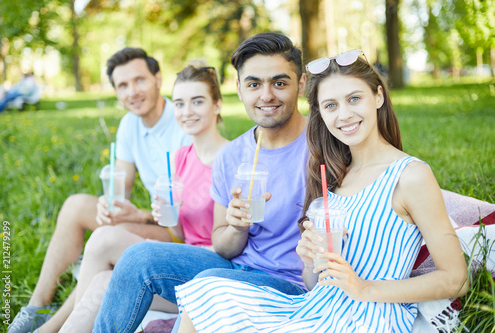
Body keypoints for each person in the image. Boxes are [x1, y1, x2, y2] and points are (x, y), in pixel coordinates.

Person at [174, 49, 469, 332]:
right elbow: (317, 283)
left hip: (366, 317)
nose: (344, 115)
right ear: (321, 115)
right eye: (330, 105)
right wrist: (309, 262)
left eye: (354, 99)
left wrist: (365, 288)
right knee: (206, 292)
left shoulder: (410, 176)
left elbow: (456, 279)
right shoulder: (333, 176)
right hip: (316, 309)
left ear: (377, 96)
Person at [91, 32, 309, 333]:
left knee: (208, 284)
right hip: (232, 268)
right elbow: (223, 245)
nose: (266, 95)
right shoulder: (231, 156)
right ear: (240, 88)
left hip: (288, 285)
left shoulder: (324, 147)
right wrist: (236, 227)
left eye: (280, 82)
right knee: (137, 258)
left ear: (302, 84)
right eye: (254, 84)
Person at [32, 60, 229, 333]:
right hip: (180, 257)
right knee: (103, 280)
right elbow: (180, 233)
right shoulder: (183, 158)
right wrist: (166, 213)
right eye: (180, 104)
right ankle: (46, 327)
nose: (186, 112)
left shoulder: (230, 159)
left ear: (217, 104)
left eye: (197, 102)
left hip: (210, 273)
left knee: (107, 242)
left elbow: (235, 243)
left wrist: (149, 221)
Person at [8, 47, 191, 333]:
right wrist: (111, 205)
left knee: (106, 245)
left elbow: (188, 219)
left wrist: (140, 216)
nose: (132, 92)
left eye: (139, 80)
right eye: (123, 85)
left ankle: (57, 326)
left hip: (181, 234)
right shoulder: (129, 124)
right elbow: (122, 189)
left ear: (158, 78)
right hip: (153, 220)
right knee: (76, 205)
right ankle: (38, 306)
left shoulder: (185, 121)